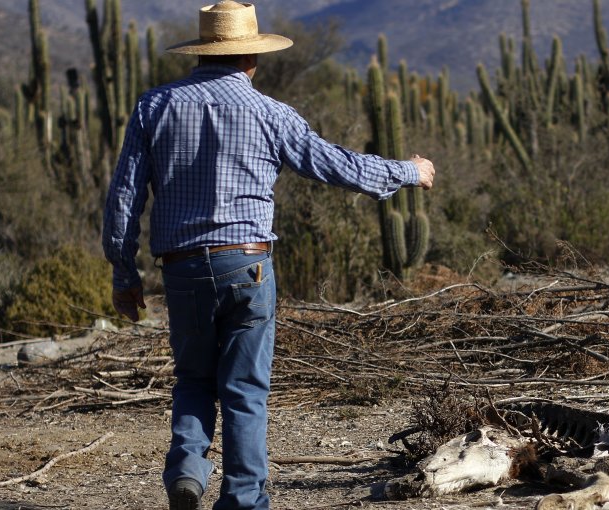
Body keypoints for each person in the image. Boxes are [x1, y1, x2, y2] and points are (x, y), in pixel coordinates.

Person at [101, 2, 435, 509]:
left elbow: (124, 198)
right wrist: (408, 172)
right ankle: (242, 502)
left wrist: (123, 274)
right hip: (249, 264)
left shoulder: (154, 106)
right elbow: (337, 165)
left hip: (183, 267)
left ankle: (187, 472)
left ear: (200, 53)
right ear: (251, 58)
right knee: (245, 390)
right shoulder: (271, 114)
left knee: (193, 377)